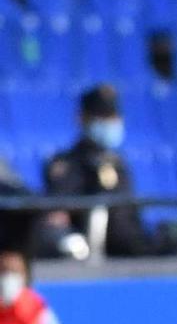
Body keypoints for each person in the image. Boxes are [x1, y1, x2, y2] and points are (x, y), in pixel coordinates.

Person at [42, 84, 151, 260]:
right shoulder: (68, 163)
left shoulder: (117, 162)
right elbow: (59, 208)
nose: (110, 123)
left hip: (132, 249)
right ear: (83, 118)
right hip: (97, 253)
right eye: (102, 117)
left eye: (112, 116)